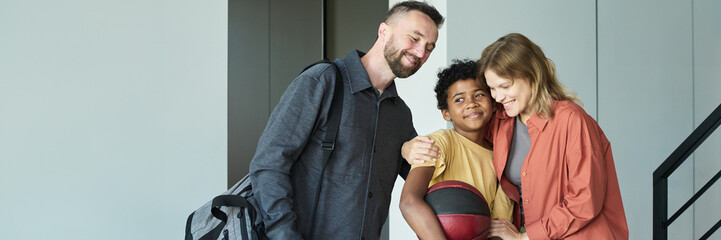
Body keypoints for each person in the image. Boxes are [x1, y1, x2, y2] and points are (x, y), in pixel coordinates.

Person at [248, 1, 444, 239]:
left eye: (429, 47)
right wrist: (283, 234)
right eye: (414, 38)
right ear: (384, 31)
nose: (421, 52)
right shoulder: (321, 82)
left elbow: (430, 184)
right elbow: (269, 164)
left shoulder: (400, 114)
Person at [478, 33, 629, 239]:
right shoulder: (502, 121)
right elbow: (467, 129)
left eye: (505, 86)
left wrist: (527, 237)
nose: (498, 96)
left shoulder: (572, 120)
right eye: (492, 88)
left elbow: (586, 200)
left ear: (532, 76)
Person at [399, 59, 513, 239]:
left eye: (479, 95)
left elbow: (499, 226)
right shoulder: (440, 143)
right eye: (459, 99)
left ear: (492, 103)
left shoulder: (501, 156)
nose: (471, 103)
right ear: (446, 113)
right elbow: (409, 202)